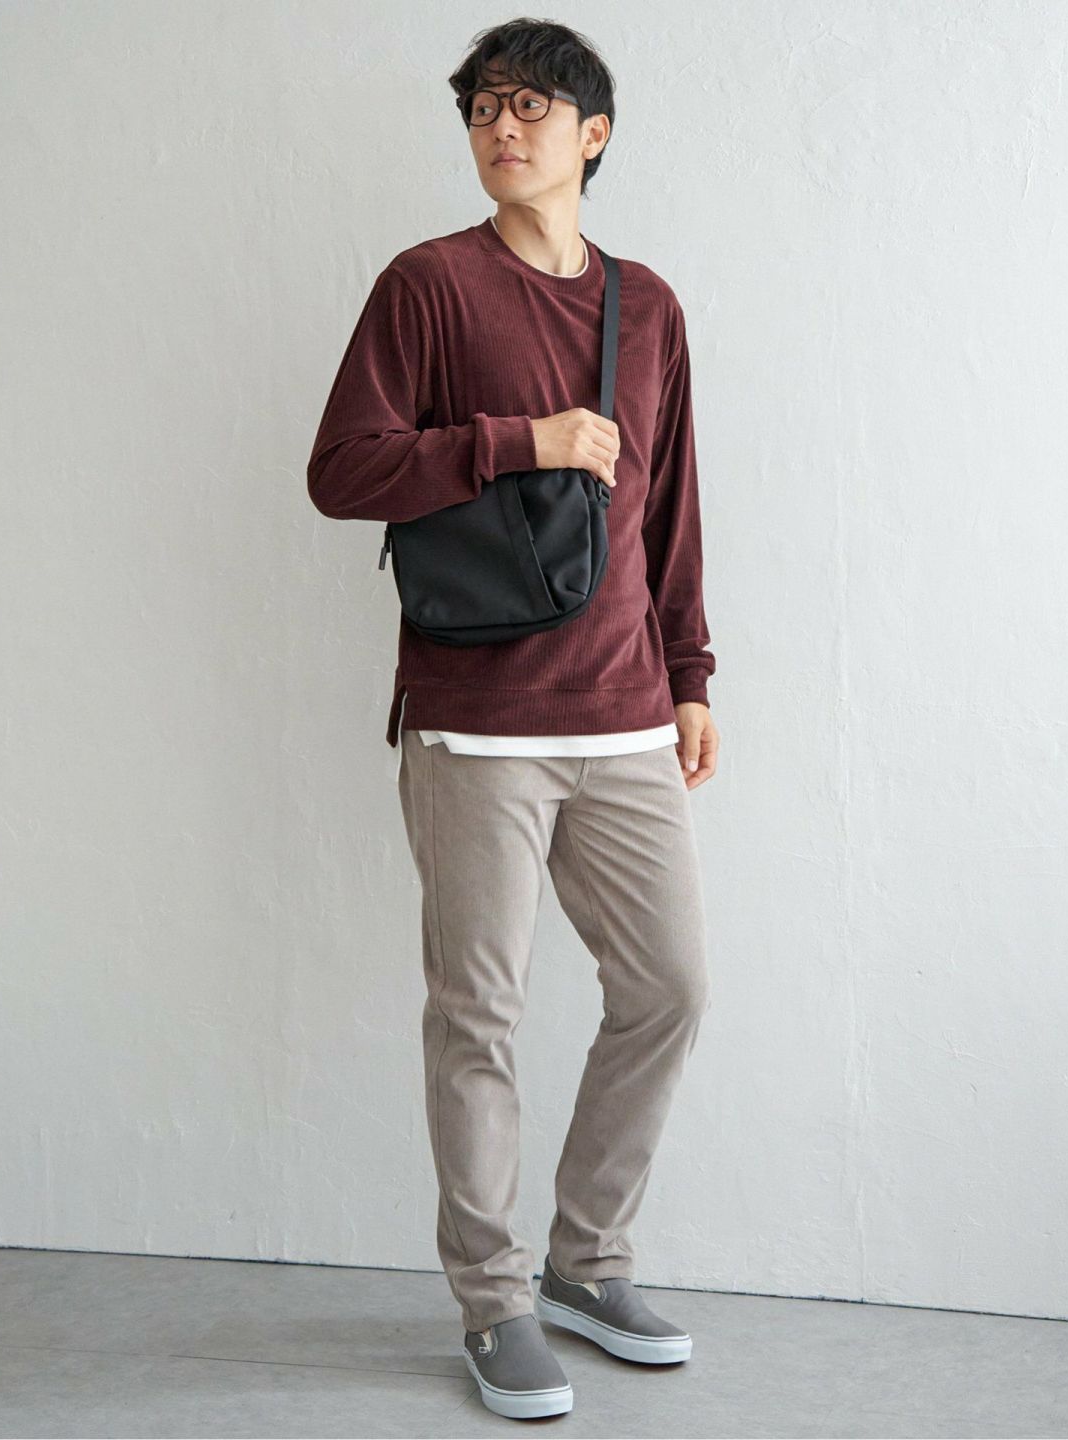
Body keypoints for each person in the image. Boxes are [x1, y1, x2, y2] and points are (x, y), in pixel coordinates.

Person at [306, 17, 718, 1421]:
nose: (502, 127)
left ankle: (587, 1264)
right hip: (475, 719)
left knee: (669, 988)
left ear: (592, 136)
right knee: (477, 1014)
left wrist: (692, 675)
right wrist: (515, 443)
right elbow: (342, 469)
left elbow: (668, 507)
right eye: (484, 106)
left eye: (532, 106)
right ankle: (493, 1301)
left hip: (625, 716)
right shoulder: (427, 286)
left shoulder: (647, 307)